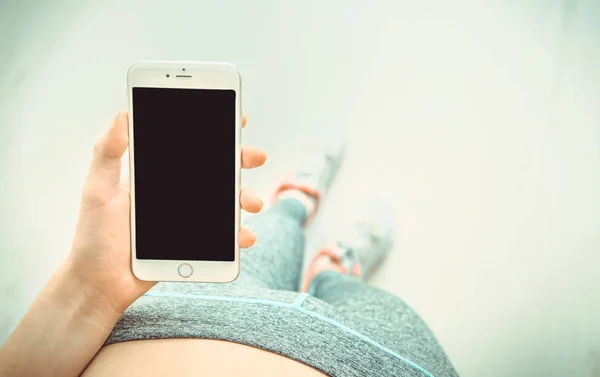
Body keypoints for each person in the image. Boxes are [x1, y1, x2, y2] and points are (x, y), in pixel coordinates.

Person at [0, 112, 458, 377]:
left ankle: (294, 203)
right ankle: (333, 270)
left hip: (180, 317)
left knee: (265, 237)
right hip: (386, 361)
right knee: (360, 298)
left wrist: (88, 291)